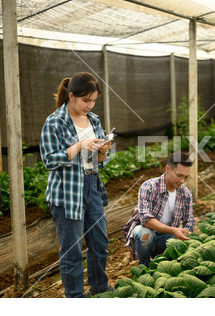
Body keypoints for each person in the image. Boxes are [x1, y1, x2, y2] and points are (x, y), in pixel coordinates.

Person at [40, 72, 113, 298]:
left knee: (99, 242)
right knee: (72, 251)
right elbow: (49, 160)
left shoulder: (94, 120)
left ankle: (99, 286)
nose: (89, 106)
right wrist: (79, 145)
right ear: (71, 96)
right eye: (86, 100)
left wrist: (103, 152)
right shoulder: (55, 122)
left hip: (92, 185)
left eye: (93, 101)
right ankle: (75, 298)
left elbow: (101, 162)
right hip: (67, 192)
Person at [122, 152, 195, 267]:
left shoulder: (185, 193)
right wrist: (173, 231)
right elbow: (146, 219)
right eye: (179, 175)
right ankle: (144, 266)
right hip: (145, 234)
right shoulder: (149, 186)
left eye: (186, 177)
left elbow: (189, 222)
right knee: (145, 233)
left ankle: (161, 264)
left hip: (166, 236)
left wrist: (182, 238)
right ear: (168, 169)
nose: (182, 181)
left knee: (178, 243)